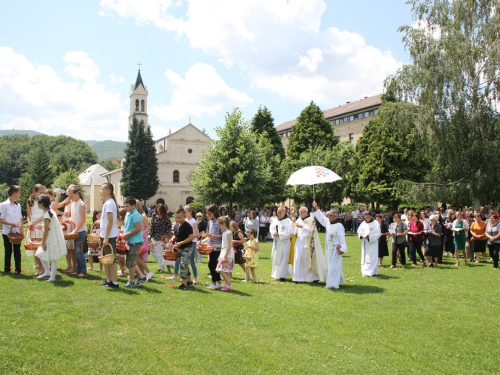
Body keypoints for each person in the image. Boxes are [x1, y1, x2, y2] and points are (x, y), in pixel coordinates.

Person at [312, 202, 347, 290]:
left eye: (330, 215)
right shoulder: (329, 223)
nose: (328, 217)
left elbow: (341, 237)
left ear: (335, 217)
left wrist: (343, 248)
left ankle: (332, 284)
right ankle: (337, 280)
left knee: (333, 266)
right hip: (329, 248)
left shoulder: (339, 225)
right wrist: (316, 208)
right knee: (330, 266)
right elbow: (322, 218)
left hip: (335, 249)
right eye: (328, 215)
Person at [34, 194, 67, 281]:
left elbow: (47, 230)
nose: (37, 204)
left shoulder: (47, 214)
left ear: (41, 204)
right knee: (39, 253)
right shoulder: (50, 212)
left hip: (51, 238)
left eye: (38, 203)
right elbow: (49, 226)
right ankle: (47, 272)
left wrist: (43, 242)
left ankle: (52, 277)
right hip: (52, 236)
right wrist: (42, 226)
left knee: (52, 257)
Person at [292, 206, 326, 283]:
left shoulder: (311, 220)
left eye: (302, 212)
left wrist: (302, 226)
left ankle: (313, 277)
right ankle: (298, 278)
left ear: (306, 212)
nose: (300, 214)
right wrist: (293, 223)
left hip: (308, 241)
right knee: (297, 259)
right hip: (299, 241)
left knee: (307, 259)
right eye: (299, 212)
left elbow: (311, 231)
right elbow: (294, 232)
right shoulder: (299, 220)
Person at [122, 197, 147, 287]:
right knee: (129, 261)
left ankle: (131, 281)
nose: (126, 208)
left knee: (131, 262)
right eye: (125, 206)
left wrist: (127, 234)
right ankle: (141, 276)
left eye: (127, 206)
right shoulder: (128, 213)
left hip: (135, 242)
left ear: (133, 205)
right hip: (130, 241)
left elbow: (138, 228)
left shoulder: (135, 214)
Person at [99, 183, 120, 288]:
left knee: (111, 259)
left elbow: (110, 221)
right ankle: (108, 279)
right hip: (105, 235)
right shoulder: (107, 203)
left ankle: (114, 282)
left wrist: (106, 237)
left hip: (109, 235)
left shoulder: (109, 203)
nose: (100, 191)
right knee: (105, 259)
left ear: (108, 191)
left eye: (102, 189)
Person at [0, 185, 23, 274]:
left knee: (17, 251)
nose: (20, 194)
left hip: (16, 232)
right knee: (8, 251)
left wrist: (21, 229)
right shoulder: (3, 205)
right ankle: (7, 268)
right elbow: (1, 219)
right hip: (7, 232)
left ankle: (18, 269)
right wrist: (11, 224)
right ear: (14, 193)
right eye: (19, 193)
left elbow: (20, 218)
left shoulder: (18, 205)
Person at [171, 209, 196, 290]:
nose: (177, 219)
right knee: (184, 264)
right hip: (179, 248)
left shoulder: (187, 226)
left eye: (179, 218)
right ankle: (189, 281)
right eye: (176, 217)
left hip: (187, 247)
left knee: (183, 264)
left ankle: (184, 284)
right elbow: (176, 235)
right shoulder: (176, 225)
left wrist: (181, 243)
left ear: (184, 217)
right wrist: (172, 239)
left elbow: (191, 237)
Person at [67, 185, 87, 277]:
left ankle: (83, 271)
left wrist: (75, 229)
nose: (71, 198)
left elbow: (83, 220)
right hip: (75, 231)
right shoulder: (73, 203)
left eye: (71, 196)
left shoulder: (81, 204)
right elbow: (73, 216)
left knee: (79, 251)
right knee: (77, 251)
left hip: (81, 231)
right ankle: (79, 270)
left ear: (76, 193)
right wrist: (68, 220)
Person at [26, 184, 46, 275]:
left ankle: (43, 269)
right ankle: (39, 268)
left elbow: (44, 215)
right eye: (40, 192)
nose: (42, 194)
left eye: (43, 192)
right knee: (35, 247)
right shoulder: (30, 201)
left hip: (41, 224)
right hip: (33, 225)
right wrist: (30, 222)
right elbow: (28, 214)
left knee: (42, 247)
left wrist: (34, 223)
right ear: (34, 192)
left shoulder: (43, 201)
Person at [270, 207, 293, 282]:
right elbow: (271, 228)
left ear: (284, 212)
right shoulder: (275, 220)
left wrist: (280, 234)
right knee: (275, 257)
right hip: (276, 243)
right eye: (278, 212)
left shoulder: (288, 221)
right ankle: (276, 274)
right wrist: (274, 233)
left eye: (280, 212)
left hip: (284, 243)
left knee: (283, 259)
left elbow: (290, 232)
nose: (278, 214)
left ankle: (282, 275)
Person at [203, 204, 223, 289]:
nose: (208, 215)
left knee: (211, 265)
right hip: (211, 247)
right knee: (213, 265)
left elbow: (223, 235)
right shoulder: (210, 221)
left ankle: (214, 283)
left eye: (209, 214)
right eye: (207, 214)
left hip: (217, 246)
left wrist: (213, 236)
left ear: (214, 212)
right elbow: (210, 234)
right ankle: (219, 283)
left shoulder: (219, 221)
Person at [150, 203, 172, 273]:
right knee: (152, 252)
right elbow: (151, 225)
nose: (159, 212)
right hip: (154, 236)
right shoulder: (154, 215)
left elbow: (169, 227)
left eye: (160, 211)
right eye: (157, 211)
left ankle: (161, 267)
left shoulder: (166, 217)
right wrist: (150, 235)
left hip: (162, 238)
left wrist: (165, 235)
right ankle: (161, 265)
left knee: (159, 253)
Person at [357, 211, 381, 276]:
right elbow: (359, 231)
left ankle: (372, 272)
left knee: (372, 257)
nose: (367, 219)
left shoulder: (376, 223)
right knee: (365, 257)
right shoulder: (363, 223)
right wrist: (361, 235)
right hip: (365, 243)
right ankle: (365, 271)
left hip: (372, 243)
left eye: (368, 217)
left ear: (371, 216)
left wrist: (369, 237)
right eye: (366, 217)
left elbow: (378, 233)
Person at [135, 201, 154, 280]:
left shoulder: (143, 216)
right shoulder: (136, 215)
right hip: (138, 238)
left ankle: (148, 272)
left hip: (142, 239)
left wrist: (142, 234)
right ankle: (142, 274)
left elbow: (148, 227)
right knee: (138, 258)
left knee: (138, 257)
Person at [215, 216, 234, 291]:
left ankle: (228, 283)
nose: (219, 227)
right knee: (224, 269)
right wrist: (213, 245)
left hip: (227, 252)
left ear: (224, 224)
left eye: (219, 225)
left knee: (220, 269)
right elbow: (223, 245)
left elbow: (229, 245)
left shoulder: (228, 233)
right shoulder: (224, 233)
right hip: (224, 251)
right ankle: (227, 284)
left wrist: (225, 256)